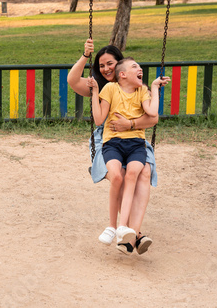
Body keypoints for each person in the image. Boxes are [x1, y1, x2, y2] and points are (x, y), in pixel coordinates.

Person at [67, 39, 157, 255]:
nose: (106, 68)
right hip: (108, 139)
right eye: (101, 65)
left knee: (145, 171)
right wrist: (85, 55)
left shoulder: (137, 87)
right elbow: (72, 80)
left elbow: (153, 119)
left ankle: (131, 233)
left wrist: (130, 124)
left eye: (110, 63)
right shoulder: (102, 88)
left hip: (134, 137)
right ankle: (130, 233)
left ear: (120, 66)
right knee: (122, 173)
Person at [90, 56, 170, 254]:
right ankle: (119, 228)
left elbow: (152, 113)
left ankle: (128, 231)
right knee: (118, 175)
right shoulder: (109, 89)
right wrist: (93, 91)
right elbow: (99, 119)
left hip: (135, 143)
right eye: (135, 66)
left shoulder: (142, 91)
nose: (140, 69)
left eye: (140, 66)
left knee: (136, 173)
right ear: (123, 74)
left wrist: (154, 88)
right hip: (113, 143)